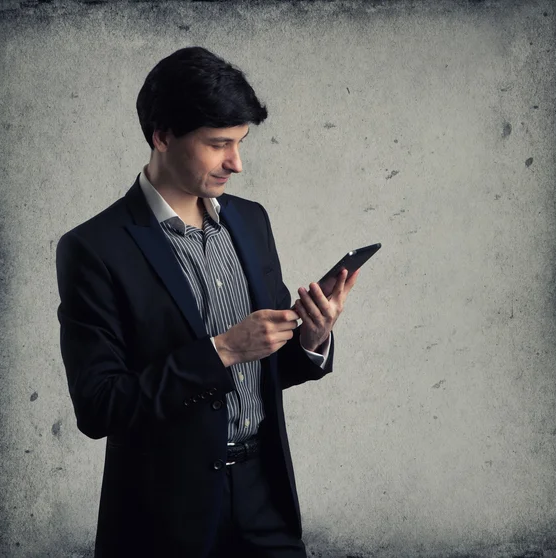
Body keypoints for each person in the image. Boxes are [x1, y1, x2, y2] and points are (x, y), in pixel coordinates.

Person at [56, 46, 359, 558]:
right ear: (162, 135)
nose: (236, 163)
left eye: (240, 143)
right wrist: (220, 351)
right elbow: (98, 407)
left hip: (265, 495)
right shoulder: (93, 249)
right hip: (162, 518)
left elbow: (263, 367)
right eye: (219, 144)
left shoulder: (251, 221)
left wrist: (310, 339)